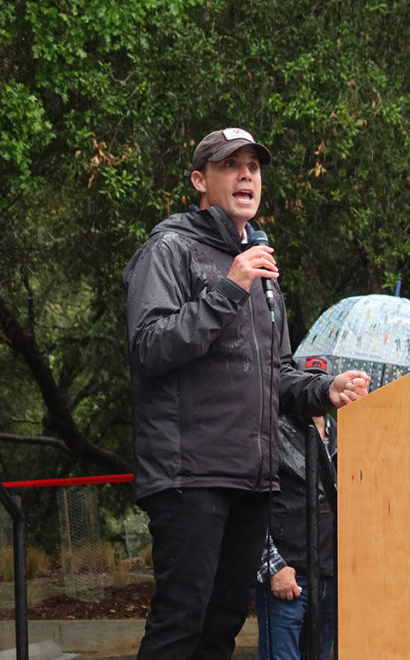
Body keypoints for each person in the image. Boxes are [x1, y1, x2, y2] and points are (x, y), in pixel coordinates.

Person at [123, 127, 369, 660]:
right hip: (189, 474)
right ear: (199, 180)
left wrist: (325, 389)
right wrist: (229, 289)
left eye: (253, 167)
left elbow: (275, 375)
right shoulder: (168, 250)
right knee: (181, 622)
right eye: (230, 165)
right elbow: (149, 347)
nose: (245, 176)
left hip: (253, 480)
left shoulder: (261, 264)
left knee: (223, 627)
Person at [256, 359, 339, 660]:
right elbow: (251, 505)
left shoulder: (345, 435)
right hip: (288, 579)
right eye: (308, 381)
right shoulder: (271, 433)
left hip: (331, 579)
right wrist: (273, 566)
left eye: (321, 381)